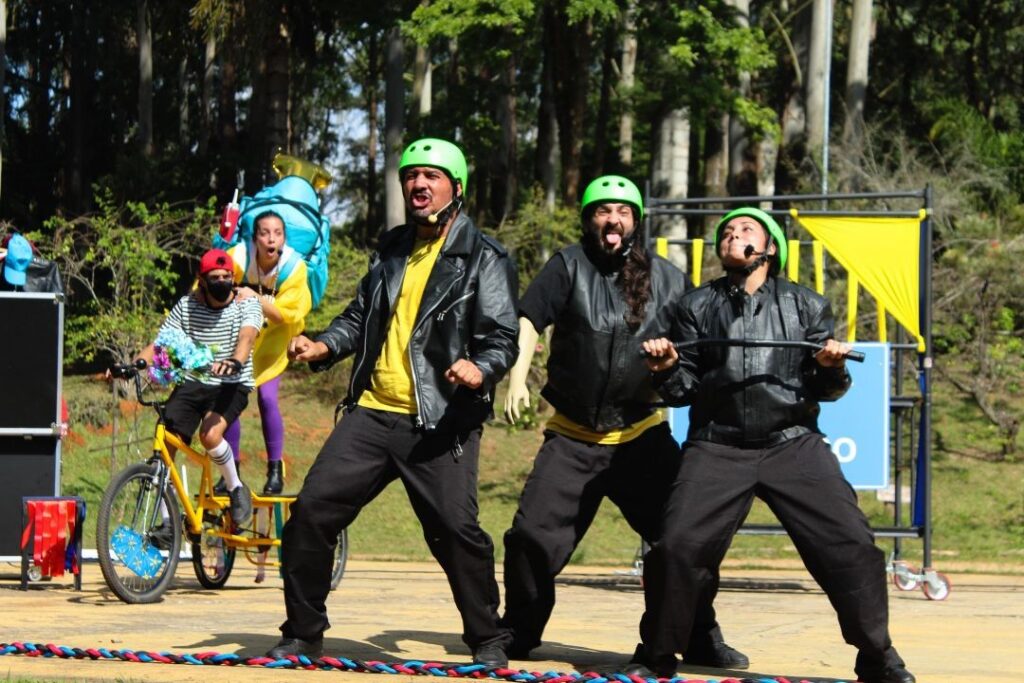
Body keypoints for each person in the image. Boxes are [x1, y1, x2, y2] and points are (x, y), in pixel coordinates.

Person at [266, 138, 519, 666]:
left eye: (431, 176)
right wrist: (324, 345)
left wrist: (480, 368)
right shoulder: (392, 248)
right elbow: (360, 317)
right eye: (411, 176)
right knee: (311, 512)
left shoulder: (485, 257)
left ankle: (489, 639)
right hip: (374, 412)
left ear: (457, 188)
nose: (419, 185)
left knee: (455, 532)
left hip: (440, 419)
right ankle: (303, 631)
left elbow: (501, 337)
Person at [636, 207, 915, 683]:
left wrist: (829, 365)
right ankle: (657, 654)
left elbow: (827, 389)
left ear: (770, 249)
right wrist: (664, 367)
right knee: (676, 546)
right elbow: (682, 391)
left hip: (793, 444)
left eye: (745, 230)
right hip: (716, 445)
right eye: (726, 231)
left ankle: (877, 655)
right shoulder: (695, 306)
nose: (732, 235)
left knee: (852, 546)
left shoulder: (807, 305)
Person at [499, 176, 746, 670]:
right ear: (588, 219)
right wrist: (517, 379)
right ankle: (520, 630)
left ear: (636, 221)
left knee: (684, 538)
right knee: (529, 538)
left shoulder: (671, 280)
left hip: (641, 436)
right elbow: (529, 320)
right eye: (602, 211)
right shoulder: (567, 265)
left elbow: (702, 346)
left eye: (623, 212)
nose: (613, 220)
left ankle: (697, 633)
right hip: (573, 436)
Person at [134, 248, 263, 531]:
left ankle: (236, 487)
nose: (221, 282)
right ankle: (168, 523)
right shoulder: (187, 305)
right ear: (201, 280)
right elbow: (161, 343)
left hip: (232, 382)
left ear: (233, 277)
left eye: (226, 276)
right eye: (214, 277)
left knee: (210, 434)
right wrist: (134, 365)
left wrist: (235, 361)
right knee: (165, 442)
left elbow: (248, 336)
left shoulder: (246, 303)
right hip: (195, 381)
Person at [220, 210, 313, 495]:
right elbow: (213, 283)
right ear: (254, 237)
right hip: (242, 337)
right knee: (230, 401)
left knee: (267, 398)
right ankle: (230, 475)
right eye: (264, 233)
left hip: (276, 337)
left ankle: (275, 470)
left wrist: (254, 297)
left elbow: (286, 314)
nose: (271, 239)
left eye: (277, 233)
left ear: (284, 238)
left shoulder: (293, 267)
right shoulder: (239, 257)